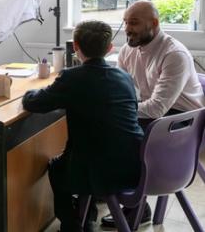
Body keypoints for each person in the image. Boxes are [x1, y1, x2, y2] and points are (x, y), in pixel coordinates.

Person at [22, 20, 144, 232]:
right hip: (134, 165)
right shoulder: (124, 77)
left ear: (75, 46)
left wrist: (27, 91)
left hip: (98, 170)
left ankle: (73, 225)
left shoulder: (73, 77)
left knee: (57, 168)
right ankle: (87, 214)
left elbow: (34, 103)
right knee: (88, 152)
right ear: (109, 49)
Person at [100, 0, 205, 229]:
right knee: (109, 125)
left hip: (184, 121)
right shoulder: (129, 49)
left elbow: (157, 108)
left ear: (154, 23)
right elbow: (120, 90)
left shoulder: (173, 54)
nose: (127, 28)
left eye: (134, 23)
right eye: (126, 22)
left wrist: (117, 110)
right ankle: (107, 187)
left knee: (121, 131)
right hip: (158, 115)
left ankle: (131, 204)